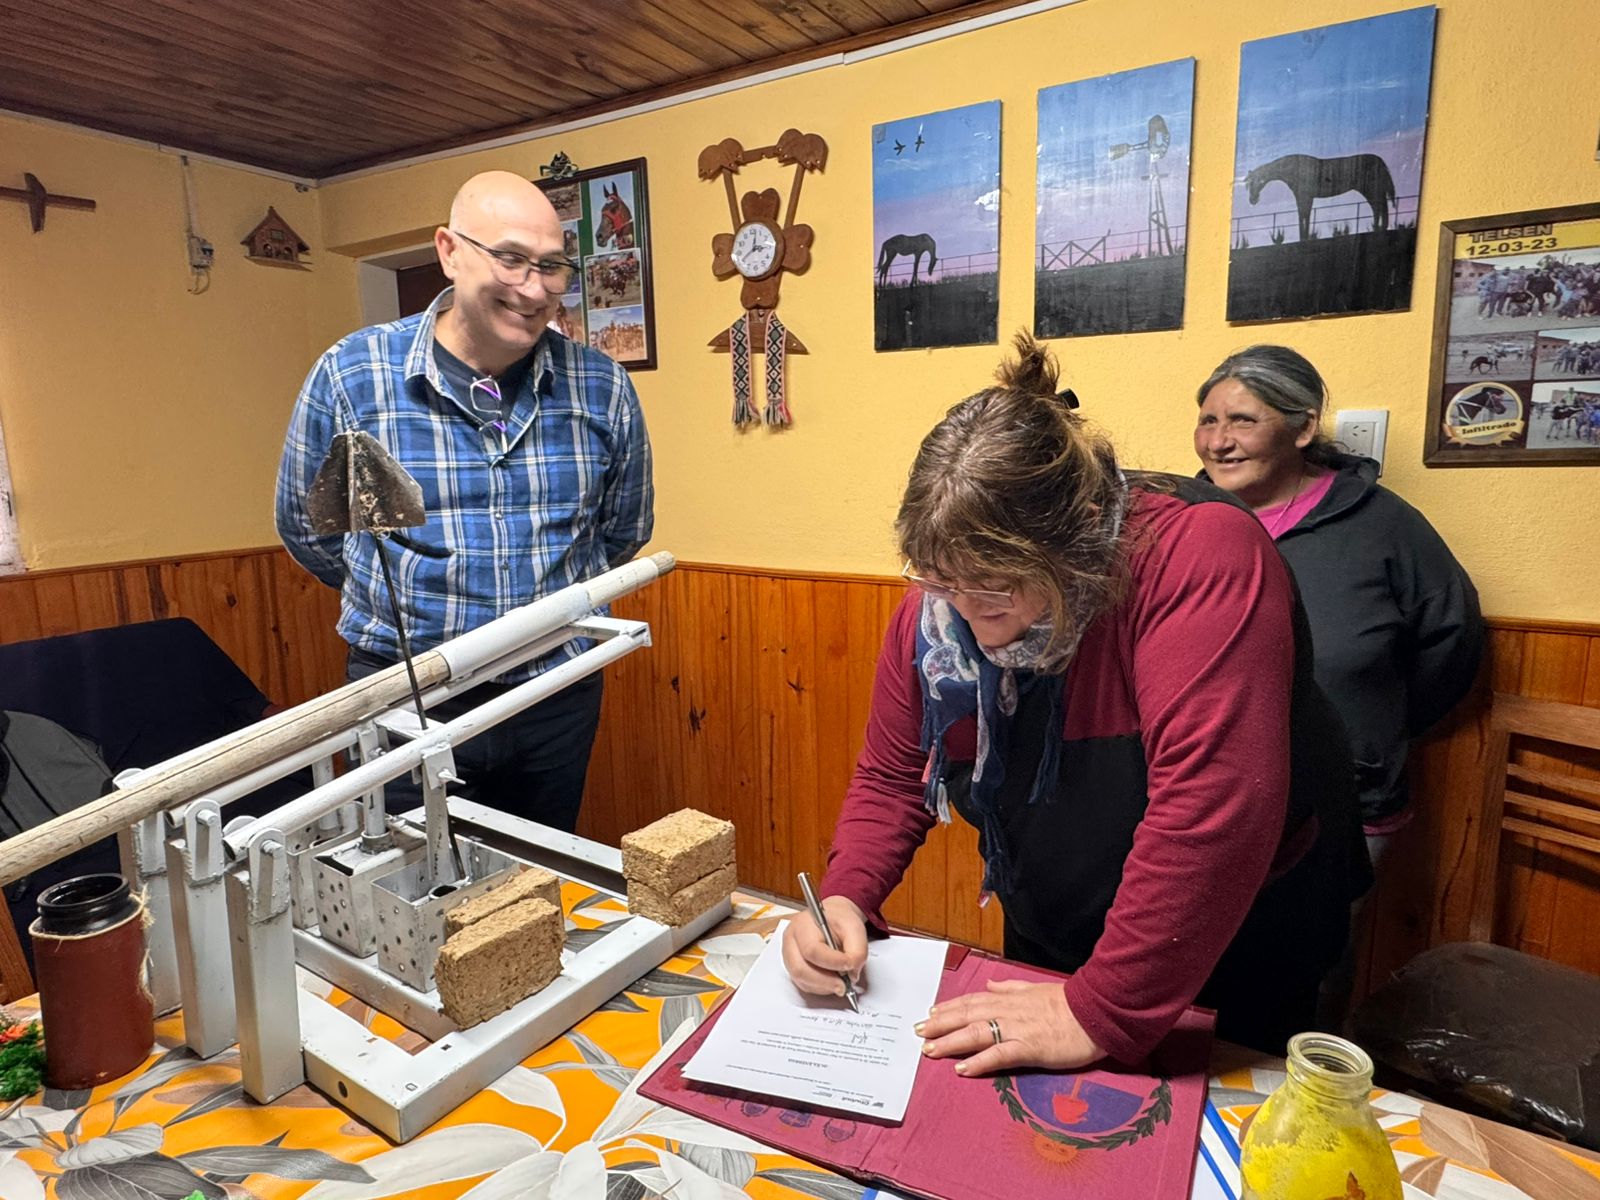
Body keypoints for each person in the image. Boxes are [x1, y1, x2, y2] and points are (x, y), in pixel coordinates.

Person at [782, 334, 1367, 1075]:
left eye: (994, 587)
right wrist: (844, 899)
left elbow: (1213, 805)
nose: (963, 613)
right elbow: (895, 775)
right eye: (940, 581)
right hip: (1063, 909)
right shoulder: (941, 605)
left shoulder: (1199, 554)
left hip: (1234, 923)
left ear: (1081, 535)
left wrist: (1103, 1009)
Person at [275, 171, 653, 833]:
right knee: (406, 883)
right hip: (405, 695)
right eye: (511, 258)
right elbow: (312, 530)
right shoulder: (354, 375)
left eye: (552, 266)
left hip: (553, 693)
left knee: (537, 876)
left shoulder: (602, 386)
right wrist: (404, 599)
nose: (533, 288)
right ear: (450, 252)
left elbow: (623, 531)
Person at [1194, 345, 1483, 869]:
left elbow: (1450, 643)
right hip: (1203, 802)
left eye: (1243, 420)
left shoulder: (1382, 525)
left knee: (1319, 924)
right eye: (1208, 421)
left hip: (1345, 802)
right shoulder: (1182, 521)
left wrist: (1373, 732)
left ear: (1303, 428)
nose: (1218, 442)